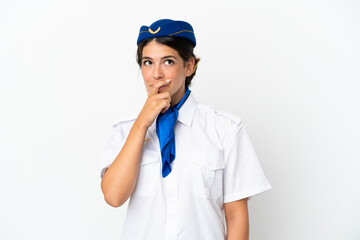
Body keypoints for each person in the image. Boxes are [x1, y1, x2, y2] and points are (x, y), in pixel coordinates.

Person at [99, 19, 271, 240]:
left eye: (168, 62)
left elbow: (236, 216)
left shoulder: (224, 129)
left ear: (189, 66)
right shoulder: (124, 130)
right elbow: (113, 196)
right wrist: (142, 124)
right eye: (147, 62)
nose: (156, 74)